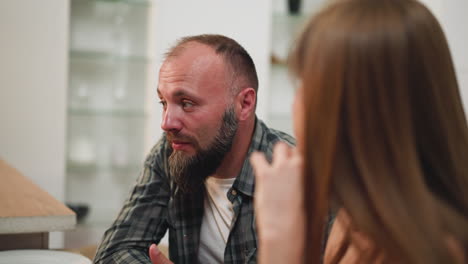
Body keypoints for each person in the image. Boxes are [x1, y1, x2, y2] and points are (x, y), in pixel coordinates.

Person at [251, 0, 468, 263]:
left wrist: (278, 242)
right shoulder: (353, 221)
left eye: (306, 84)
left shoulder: (428, 251)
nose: (296, 103)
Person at [93, 34, 295, 264]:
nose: (167, 122)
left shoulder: (297, 173)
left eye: (187, 103)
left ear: (244, 104)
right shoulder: (171, 151)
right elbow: (115, 251)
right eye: (164, 103)